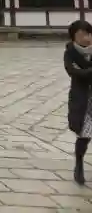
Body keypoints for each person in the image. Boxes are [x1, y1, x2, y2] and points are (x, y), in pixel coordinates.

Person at [64, 19, 92, 185]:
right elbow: (73, 72)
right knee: (84, 135)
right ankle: (79, 164)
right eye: (82, 35)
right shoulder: (70, 54)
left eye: (89, 34)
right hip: (83, 100)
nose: (86, 38)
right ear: (74, 37)